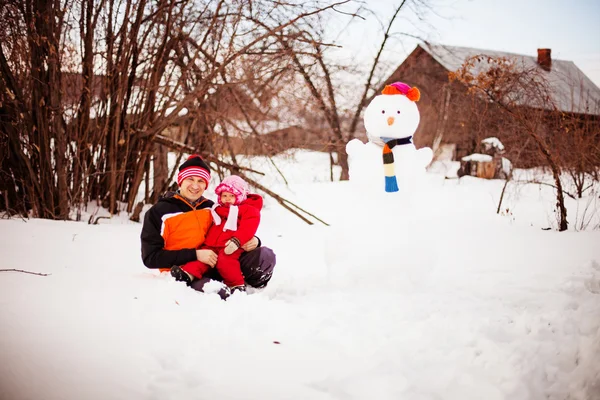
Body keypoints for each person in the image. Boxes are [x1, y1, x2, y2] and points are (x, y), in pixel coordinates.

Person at [140, 154, 276, 299]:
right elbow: (150, 258)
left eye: (201, 181)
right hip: (185, 272)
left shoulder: (212, 208)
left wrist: (254, 241)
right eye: (190, 179)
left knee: (265, 257)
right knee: (220, 294)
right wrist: (196, 254)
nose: (195, 185)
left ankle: (249, 289)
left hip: (220, 263)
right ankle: (231, 294)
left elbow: (238, 226)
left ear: (206, 185)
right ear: (180, 181)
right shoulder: (159, 213)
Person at [170, 175, 262, 294]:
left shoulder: (248, 210)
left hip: (231, 245)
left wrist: (237, 240)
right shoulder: (217, 209)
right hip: (212, 243)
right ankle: (187, 274)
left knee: (226, 261)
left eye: (231, 196)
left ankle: (237, 285)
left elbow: (248, 228)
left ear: (240, 196)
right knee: (203, 259)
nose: (227, 199)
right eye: (224, 196)